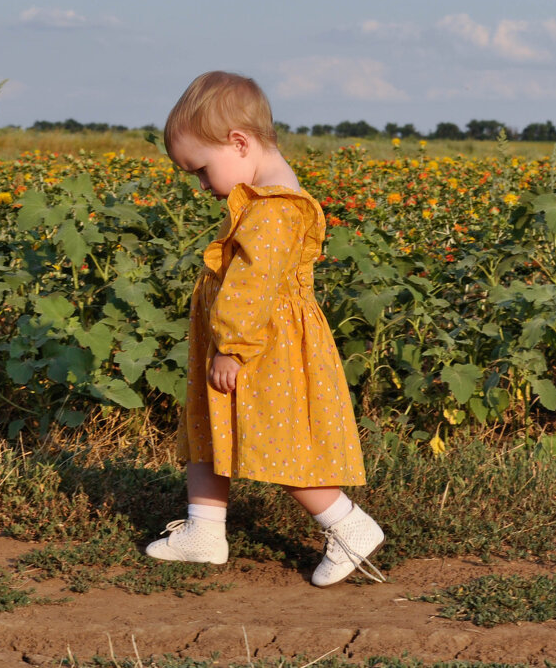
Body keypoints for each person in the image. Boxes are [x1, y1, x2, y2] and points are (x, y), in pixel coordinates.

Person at [145, 71, 385, 587]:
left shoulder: (275, 210)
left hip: (260, 347)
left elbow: (253, 286)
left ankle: (348, 525)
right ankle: (204, 530)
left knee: (281, 441)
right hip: (248, 340)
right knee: (209, 424)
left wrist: (230, 347)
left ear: (239, 142)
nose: (202, 186)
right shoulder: (264, 199)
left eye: (202, 171)